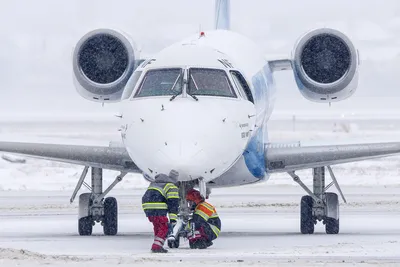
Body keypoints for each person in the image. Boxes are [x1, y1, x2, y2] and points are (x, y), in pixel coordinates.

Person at [142, 170, 180, 253]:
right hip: (158, 208)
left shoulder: (154, 183)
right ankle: (156, 246)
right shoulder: (171, 187)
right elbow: (173, 203)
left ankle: (157, 244)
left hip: (148, 208)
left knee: (157, 227)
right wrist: (173, 219)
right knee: (164, 227)